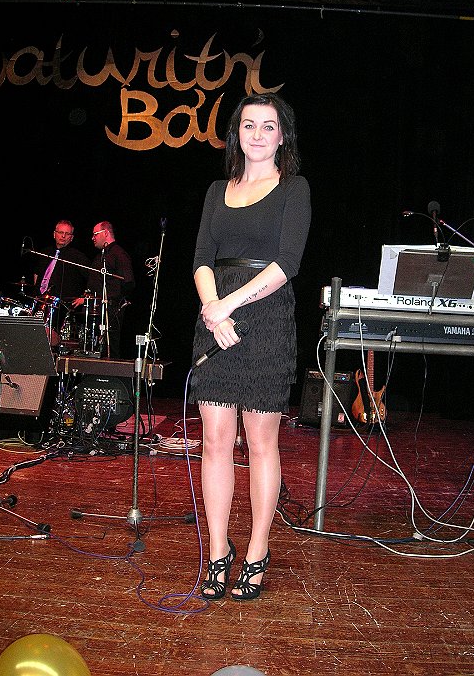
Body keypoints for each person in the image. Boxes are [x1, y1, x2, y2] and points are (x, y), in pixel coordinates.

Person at [189, 92, 311, 601]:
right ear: (235, 134)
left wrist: (228, 306)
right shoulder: (217, 190)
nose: (257, 134)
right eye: (248, 125)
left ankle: (258, 550)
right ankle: (219, 550)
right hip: (216, 318)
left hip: (265, 317)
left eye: (268, 126)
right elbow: (201, 258)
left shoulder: (294, 188)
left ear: (283, 136)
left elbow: (287, 264)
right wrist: (211, 308)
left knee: (262, 442)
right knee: (215, 441)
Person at [71, 221, 135, 359]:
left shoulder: (118, 254)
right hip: (96, 310)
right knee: (96, 349)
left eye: (95, 234)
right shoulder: (101, 255)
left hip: (110, 311)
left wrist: (111, 301)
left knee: (109, 350)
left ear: (105, 233)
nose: (92, 238)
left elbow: (128, 282)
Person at [32, 219, 90, 338]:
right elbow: (37, 274)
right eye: (60, 232)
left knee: (51, 338)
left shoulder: (78, 257)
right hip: (40, 301)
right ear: (54, 234)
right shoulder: (45, 252)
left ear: (71, 238)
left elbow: (92, 278)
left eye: (67, 234)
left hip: (61, 307)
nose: (63, 236)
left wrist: (84, 298)